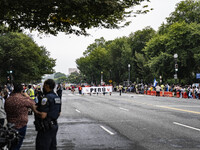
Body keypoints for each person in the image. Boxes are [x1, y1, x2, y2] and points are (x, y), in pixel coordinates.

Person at [5, 83, 38, 150]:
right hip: (21, 125)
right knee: (17, 145)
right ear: (22, 91)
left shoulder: (8, 99)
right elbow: (33, 104)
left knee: (11, 144)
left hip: (10, 125)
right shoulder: (23, 100)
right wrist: (26, 95)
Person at [34, 79, 62, 150]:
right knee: (52, 146)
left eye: (44, 85)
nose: (43, 87)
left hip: (46, 127)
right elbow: (58, 113)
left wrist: (34, 110)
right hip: (54, 125)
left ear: (47, 86)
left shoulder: (46, 98)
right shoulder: (57, 97)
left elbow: (43, 115)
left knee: (42, 146)